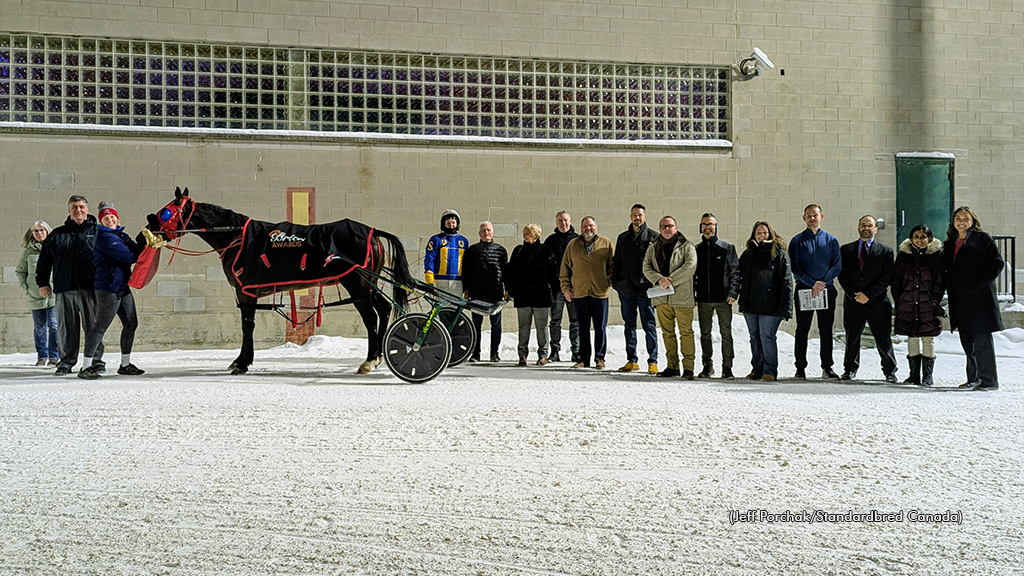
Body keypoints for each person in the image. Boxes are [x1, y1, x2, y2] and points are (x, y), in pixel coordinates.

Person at [35, 195, 105, 376]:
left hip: (91, 289)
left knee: (93, 327)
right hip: (64, 288)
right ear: (69, 211)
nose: (78, 210)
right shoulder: (57, 235)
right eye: (74, 207)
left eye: (81, 207)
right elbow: (44, 262)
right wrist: (43, 283)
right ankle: (66, 362)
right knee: (66, 329)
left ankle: (96, 361)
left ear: (87, 210)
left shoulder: (99, 232)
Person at [79, 202, 146, 379]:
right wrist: (145, 246)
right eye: (106, 218)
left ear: (117, 218)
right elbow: (130, 256)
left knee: (131, 323)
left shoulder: (120, 234)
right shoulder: (106, 238)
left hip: (122, 286)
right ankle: (86, 366)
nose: (110, 220)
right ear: (101, 222)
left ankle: (125, 364)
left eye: (112, 217)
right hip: (108, 288)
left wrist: (146, 239)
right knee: (100, 326)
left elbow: (134, 247)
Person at [943, 206, 1004, 390]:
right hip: (960, 300)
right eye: (958, 218)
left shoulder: (982, 238)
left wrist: (979, 282)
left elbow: (997, 263)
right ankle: (973, 378)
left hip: (980, 299)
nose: (961, 221)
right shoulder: (950, 243)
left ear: (972, 220)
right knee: (967, 341)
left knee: (982, 341)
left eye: (966, 218)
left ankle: (988, 381)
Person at [837, 215, 898, 382]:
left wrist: (868, 295)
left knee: (883, 338)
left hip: (878, 303)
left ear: (875, 229)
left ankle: (890, 371)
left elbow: (887, 277)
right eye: (863, 225)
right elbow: (842, 275)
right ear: (858, 228)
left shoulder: (886, 251)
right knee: (852, 338)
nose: (866, 228)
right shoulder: (846, 250)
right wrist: (854, 294)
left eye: (870, 226)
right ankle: (849, 369)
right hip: (853, 301)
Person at [788, 204, 842, 379]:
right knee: (802, 329)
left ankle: (827, 367)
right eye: (808, 215)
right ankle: (800, 368)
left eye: (815, 215)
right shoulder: (797, 241)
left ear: (822, 216)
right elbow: (795, 267)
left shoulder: (831, 240)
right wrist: (812, 284)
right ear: (804, 218)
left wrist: (822, 283)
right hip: (804, 290)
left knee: (826, 329)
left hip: (827, 290)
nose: (812, 218)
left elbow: (837, 265)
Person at [642, 216, 698, 379]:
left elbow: (690, 267)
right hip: (661, 298)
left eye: (670, 226)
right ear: (659, 229)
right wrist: (659, 280)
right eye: (663, 226)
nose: (666, 229)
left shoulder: (687, 246)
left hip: (682, 297)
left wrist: (670, 281)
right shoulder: (653, 247)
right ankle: (672, 366)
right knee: (667, 333)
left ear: (676, 227)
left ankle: (688, 368)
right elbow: (646, 266)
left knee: (686, 332)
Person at [737, 221, 793, 381]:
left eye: (764, 233)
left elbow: (787, 281)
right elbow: (740, 277)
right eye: (758, 233)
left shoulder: (778, 253)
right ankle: (757, 369)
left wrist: (786, 308)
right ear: (753, 235)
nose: (761, 235)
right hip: (750, 305)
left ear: (770, 234)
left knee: (767, 337)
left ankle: (770, 371)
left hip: (771, 306)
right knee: (754, 337)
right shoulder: (748, 254)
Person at [891, 225, 944, 386]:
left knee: (928, 338)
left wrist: (935, 299)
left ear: (929, 238)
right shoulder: (903, 256)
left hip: (928, 304)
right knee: (912, 337)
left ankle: (927, 376)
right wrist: (899, 299)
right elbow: (896, 280)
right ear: (911, 238)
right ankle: (913, 375)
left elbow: (940, 281)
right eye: (916, 236)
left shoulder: (936, 256)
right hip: (907, 302)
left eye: (923, 236)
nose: (920, 240)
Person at [559, 216, 614, 369]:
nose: (587, 229)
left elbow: (614, 265)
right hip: (580, 293)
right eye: (584, 226)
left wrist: (607, 282)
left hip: (600, 294)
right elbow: (565, 269)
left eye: (590, 225)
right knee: (582, 328)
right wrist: (566, 288)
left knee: (600, 328)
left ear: (595, 226)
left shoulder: (606, 243)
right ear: (580, 228)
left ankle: (600, 358)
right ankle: (583, 359)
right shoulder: (573, 245)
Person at [611, 204, 660, 374]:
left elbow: (658, 263)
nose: (637, 218)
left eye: (640, 215)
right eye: (634, 215)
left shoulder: (654, 237)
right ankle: (632, 361)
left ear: (645, 216)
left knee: (649, 325)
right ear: (630, 216)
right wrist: (615, 282)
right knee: (629, 325)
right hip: (626, 290)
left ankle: (653, 361)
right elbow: (617, 261)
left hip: (645, 290)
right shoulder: (623, 237)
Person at [693, 213, 740, 379]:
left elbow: (735, 271)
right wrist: (694, 295)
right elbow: (693, 275)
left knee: (726, 333)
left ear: (716, 227)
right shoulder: (696, 250)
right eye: (704, 224)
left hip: (723, 298)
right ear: (701, 227)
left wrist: (733, 292)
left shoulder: (727, 248)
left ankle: (727, 367)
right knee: (705, 333)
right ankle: (707, 366)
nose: (708, 227)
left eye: (711, 224)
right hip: (704, 299)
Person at [507, 224, 558, 365]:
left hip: (542, 295)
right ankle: (522, 355)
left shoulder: (546, 250)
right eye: (524, 232)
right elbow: (511, 272)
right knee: (523, 326)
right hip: (523, 296)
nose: (525, 235)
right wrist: (511, 290)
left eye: (528, 232)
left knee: (542, 327)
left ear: (536, 235)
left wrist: (553, 291)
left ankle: (543, 355)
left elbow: (553, 273)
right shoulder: (518, 250)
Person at [462, 221, 508, 362]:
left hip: (495, 294)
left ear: (492, 233)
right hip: (477, 294)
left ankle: (494, 353)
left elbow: (506, 272)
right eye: (483, 230)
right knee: (476, 325)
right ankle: (475, 354)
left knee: (496, 325)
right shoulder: (472, 251)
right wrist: (467, 290)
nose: (486, 232)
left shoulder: (500, 250)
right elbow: (466, 272)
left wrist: (508, 291)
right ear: (479, 233)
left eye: (488, 230)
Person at [16, 221, 60, 366]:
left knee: (54, 326)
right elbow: (20, 271)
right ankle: (42, 356)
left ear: (47, 232)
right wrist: (27, 287)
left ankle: (54, 356)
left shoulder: (55, 248)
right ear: (32, 234)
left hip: (53, 296)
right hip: (35, 296)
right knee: (39, 327)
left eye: (42, 230)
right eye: (36, 231)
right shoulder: (29, 252)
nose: (39, 233)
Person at [544, 211, 581, 363]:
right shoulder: (550, 241)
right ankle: (555, 351)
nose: (563, 223)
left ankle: (576, 351)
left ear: (570, 221)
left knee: (575, 321)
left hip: (575, 288)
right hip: (556, 288)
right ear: (556, 222)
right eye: (560, 220)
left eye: (565, 220)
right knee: (555, 321)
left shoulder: (578, 240)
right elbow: (545, 265)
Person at [423, 209, 470, 296]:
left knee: (454, 309)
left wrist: (467, 285)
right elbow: (430, 257)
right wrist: (429, 273)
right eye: (448, 223)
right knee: (440, 308)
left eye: (453, 222)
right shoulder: (436, 239)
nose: (451, 225)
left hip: (457, 282)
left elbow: (467, 264)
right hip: (440, 281)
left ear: (457, 223)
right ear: (443, 224)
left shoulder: (464, 241)